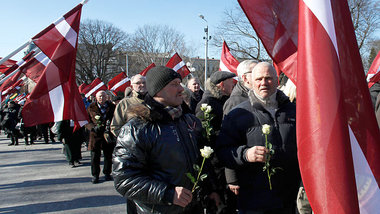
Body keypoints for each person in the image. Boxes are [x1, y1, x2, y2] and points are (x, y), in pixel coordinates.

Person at [113, 66, 219, 214]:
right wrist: (167, 193)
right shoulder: (137, 128)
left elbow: (202, 161)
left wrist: (211, 189)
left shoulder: (189, 121)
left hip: (193, 207)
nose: (181, 89)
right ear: (158, 90)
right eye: (174, 84)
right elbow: (124, 180)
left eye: (180, 84)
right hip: (158, 209)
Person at [216, 62, 300, 213]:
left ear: (277, 80)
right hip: (254, 200)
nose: (263, 83)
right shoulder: (237, 114)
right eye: (259, 79)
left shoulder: (295, 111)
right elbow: (222, 152)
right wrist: (246, 154)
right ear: (250, 82)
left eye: (268, 78)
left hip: (290, 198)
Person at [195, 71, 236, 213]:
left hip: (223, 163)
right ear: (222, 84)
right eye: (231, 81)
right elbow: (204, 137)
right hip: (215, 167)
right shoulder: (207, 104)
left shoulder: (223, 100)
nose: (234, 84)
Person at [86, 90, 116, 184]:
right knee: (95, 156)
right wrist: (92, 128)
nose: (102, 98)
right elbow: (86, 121)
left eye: (103, 96)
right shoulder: (91, 107)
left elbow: (116, 118)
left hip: (107, 134)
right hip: (95, 135)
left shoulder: (112, 107)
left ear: (106, 97)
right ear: (96, 97)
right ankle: (95, 175)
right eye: (100, 96)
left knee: (108, 155)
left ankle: (107, 173)